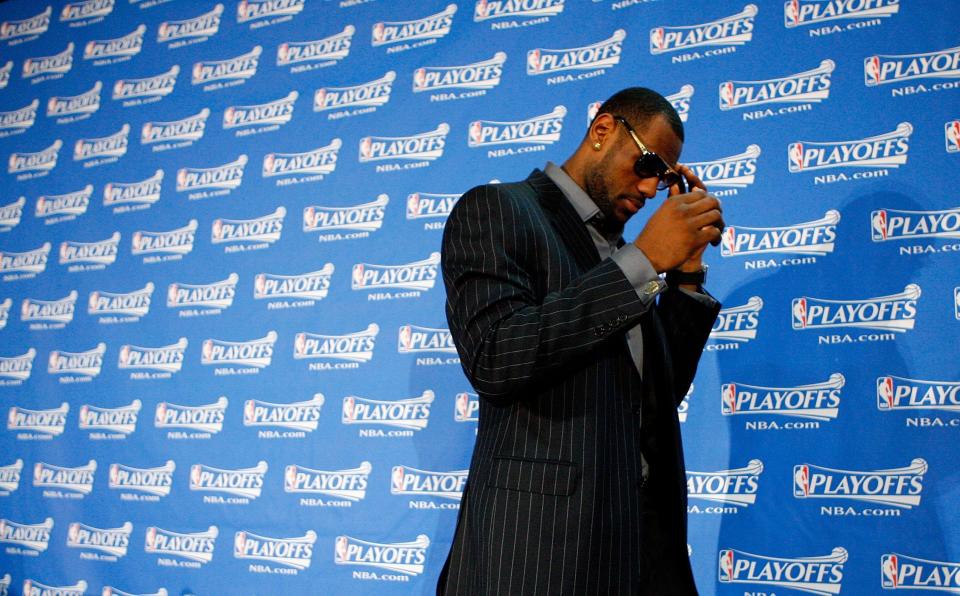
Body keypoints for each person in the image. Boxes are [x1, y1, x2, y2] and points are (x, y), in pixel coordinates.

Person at [437, 87, 724, 595]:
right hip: (540, 558)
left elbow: (653, 402)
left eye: (666, 176)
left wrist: (684, 277)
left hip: (638, 553)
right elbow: (496, 357)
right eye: (649, 163)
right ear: (603, 131)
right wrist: (642, 262)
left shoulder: (622, 258)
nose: (653, 187)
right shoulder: (499, 210)